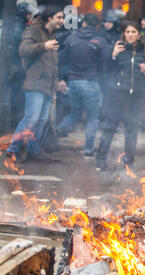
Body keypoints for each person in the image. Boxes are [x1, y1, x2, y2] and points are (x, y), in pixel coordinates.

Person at [6, 5, 65, 163]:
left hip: (47, 85)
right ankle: (13, 149)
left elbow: (52, 64)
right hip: (35, 82)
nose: (62, 21)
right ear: (49, 18)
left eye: (63, 17)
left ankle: (33, 151)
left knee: (41, 121)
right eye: (59, 17)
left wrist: (55, 86)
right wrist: (43, 46)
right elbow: (23, 50)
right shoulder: (34, 30)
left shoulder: (50, 33)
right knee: (31, 119)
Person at [95, 21, 145, 171]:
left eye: (134, 32)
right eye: (128, 32)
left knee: (132, 129)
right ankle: (101, 159)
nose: (131, 35)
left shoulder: (144, 51)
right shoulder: (117, 48)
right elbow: (105, 69)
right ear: (124, 34)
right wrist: (113, 56)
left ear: (139, 34)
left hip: (135, 97)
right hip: (117, 96)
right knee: (109, 128)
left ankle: (128, 161)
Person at [57, 13, 109, 158]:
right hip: (91, 82)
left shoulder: (71, 38)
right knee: (92, 117)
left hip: (73, 82)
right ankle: (88, 149)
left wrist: (62, 78)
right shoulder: (100, 42)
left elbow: (62, 60)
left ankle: (53, 134)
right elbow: (105, 65)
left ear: (84, 23)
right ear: (97, 25)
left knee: (74, 115)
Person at [9, 2, 36, 128]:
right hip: (18, 67)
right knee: (18, 98)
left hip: (11, 66)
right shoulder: (23, 30)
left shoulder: (10, 25)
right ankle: (16, 125)